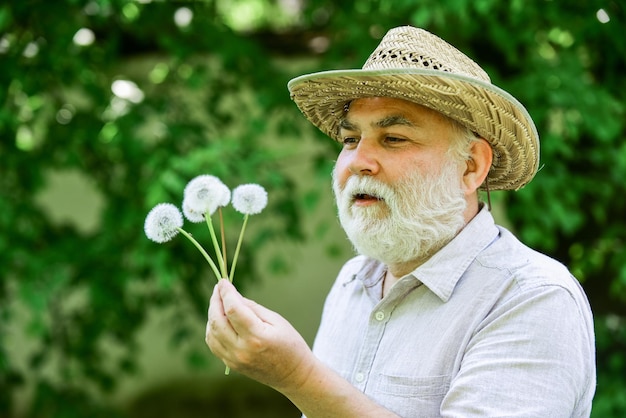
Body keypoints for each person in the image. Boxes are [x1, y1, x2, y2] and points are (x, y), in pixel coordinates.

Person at [205, 26, 596, 417]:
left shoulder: (531, 297)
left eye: (393, 138)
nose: (359, 161)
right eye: (350, 140)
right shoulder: (352, 282)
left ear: (471, 166)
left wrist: (298, 376)